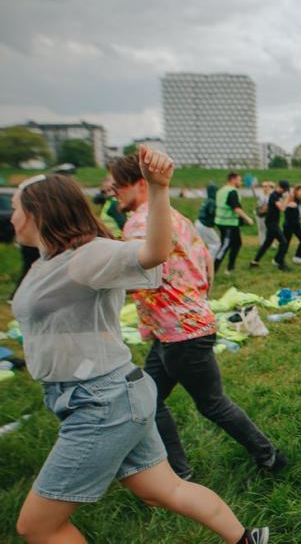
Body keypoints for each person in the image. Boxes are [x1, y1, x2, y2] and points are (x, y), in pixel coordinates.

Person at [11, 148, 269, 544]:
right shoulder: (50, 259)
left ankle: (268, 456)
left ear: (37, 212)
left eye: (14, 207)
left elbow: (154, 254)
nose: (10, 217)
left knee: (37, 526)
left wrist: (159, 189)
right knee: (162, 489)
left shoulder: (88, 256)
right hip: (115, 385)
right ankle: (248, 537)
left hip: (102, 399)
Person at [109, 155, 287, 482]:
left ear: (139, 183)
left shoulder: (138, 222)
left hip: (181, 334)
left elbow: (135, 274)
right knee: (150, 400)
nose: (111, 190)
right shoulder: (176, 217)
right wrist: (195, 302)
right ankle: (179, 473)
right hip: (181, 327)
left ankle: (269, 456)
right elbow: (207, 263)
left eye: (116, 185)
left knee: (211, 404)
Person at [214, 172, 254, 274]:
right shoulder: (232, 191)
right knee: (225, 245)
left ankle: (230, 268)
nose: (241, 182)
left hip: (225, 222)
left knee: (237, 243)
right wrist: (247, 218)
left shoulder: (221, 190)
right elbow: (236, 208)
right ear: (233, 180)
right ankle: (213, 269)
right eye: (240, 180)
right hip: (228, 223)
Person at [250, 180, 289, 270]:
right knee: (283, 242)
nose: (284, 192)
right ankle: (279, 262)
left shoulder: (277, 195)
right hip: (272, 223)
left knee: (267, 243)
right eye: (283, 190)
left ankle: (254, 261)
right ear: (279, 187)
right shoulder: (274, 195)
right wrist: (287, 198)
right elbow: (282, 208)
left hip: (272, 222)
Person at [281, 184, 301, 265]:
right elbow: (285, 208)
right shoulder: (292, 200)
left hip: (295, 224)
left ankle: (297, 257)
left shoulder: (298, 200)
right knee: (287, 243)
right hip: (290, 225)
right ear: (296, 191)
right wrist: (288, 198)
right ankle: (279, 259)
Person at [196, 184, 221, 259]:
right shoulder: (212, 202)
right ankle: (209, 263)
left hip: (198, 223)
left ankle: (198, 260)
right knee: (216, 243)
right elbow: (213, 213)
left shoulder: (206, 200)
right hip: (204, 225)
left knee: (199, 244)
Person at [252, 181, 275, 245]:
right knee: (261, 229)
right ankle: (262, 243)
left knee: (270, 228)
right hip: (260, 213)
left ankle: (271, 243)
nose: (266, 188)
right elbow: (253, 191)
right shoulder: (260, 194)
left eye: (267, 186)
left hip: (269, 213)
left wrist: (273, 185)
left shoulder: (272, 194)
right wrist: (254, 185)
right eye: (264, 186)